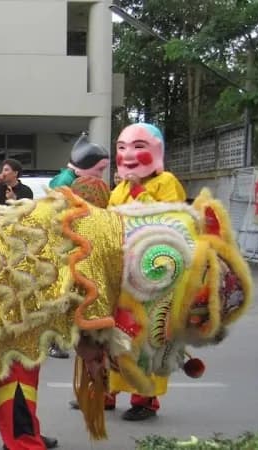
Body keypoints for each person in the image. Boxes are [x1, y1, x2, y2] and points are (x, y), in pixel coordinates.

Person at [71, 122, 186, 422]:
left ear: (156, 151)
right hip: (120, 276)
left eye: (138, 147)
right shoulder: (119, 188)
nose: (128, 155)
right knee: (114, 335)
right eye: (122, 148)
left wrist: (138, 195)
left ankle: (145, 398)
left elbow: (169, 222)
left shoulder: (166, 183)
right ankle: (108, 391)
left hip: (152, 276)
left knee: (146, 339)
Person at [0, 159, 57, 450]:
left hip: (28, 327)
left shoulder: (32, 244)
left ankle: (27, 434)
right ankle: (22, 440)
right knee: (15, 382)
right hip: (9, 327)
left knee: (27, 383)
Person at [47, 132, 110, 359]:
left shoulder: (71, 181)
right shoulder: (66, 185)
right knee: (63, 295)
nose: (102, 175)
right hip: (65, 250)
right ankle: (54, 340)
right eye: (100, 170)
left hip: (75, 249)